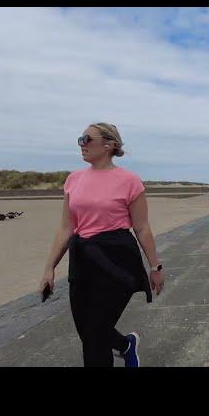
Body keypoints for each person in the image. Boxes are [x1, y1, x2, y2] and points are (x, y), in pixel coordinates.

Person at [38, 123, 164, 368]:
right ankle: (127, 346)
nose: (81, 144)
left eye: (86, 139)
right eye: (80, 139)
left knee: (95, 333)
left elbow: (142, 228)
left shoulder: (129, 180)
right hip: (82, 261)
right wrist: (49, 268)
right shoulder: (73, 180)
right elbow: (66, 228)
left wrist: (155, 266)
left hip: (116, 260)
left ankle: (125, 347)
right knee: (87, 331)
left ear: (108, 145)